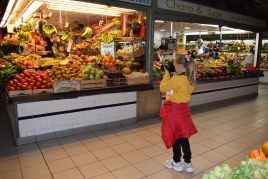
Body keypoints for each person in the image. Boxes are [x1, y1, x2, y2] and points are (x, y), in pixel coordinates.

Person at [159, 55, 197, 173]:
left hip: (174, 111)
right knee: (184, 136)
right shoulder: (190, 79)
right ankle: (188, 162)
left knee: (175, 136)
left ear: (179, 66)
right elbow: (180, 87)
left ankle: (176, 162)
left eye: (175, 65)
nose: (174, 67)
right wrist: (175, 75)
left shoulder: (176, 79)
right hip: (184, 110)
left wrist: (166, 74)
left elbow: (162, 88)